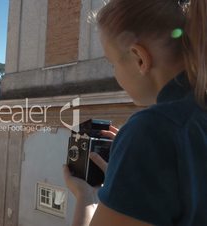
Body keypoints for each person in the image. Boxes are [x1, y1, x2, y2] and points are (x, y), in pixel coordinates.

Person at [63, 0, 207, 225]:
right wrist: (126, 181)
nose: (115, 74)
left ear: (140, 58)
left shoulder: (153, 131)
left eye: (112, 63)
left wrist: (87, 197)